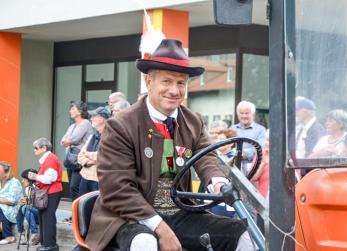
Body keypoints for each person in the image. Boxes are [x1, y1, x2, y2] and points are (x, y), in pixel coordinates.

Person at [85, 39, 255, 251]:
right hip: (128, 217)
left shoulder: (193, 121)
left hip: (179, 213)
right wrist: (160, 228)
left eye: (181, 83)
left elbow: (206, 158)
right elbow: (116, 188)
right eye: (166, 81)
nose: (174, 91)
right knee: (146, 243)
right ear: (149, 82)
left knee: (244, 234)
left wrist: (218, 183)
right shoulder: (120, 125)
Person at [28, 138, 63, 251]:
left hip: (52, 191)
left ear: (44, 148)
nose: (34, 150)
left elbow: (50, 178)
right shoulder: (48, 158)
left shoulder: (50, 159)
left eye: (36, 148)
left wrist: (35, 177)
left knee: (48, 218)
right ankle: (45, 243)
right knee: (43, 217)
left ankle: (50, 245)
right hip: (48, 191)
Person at [61, 101, 92, 206]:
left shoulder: (86, 123)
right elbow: (63, 141)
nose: (70, 111)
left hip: (80, 160)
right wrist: (69, 141)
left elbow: (74, 139)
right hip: (71, 160)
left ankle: (80, 210)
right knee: (72, 187)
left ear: (80, 111)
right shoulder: (72, 126)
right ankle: (75, 212)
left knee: (75, 186)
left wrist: (70, 141)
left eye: (73, 109)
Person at [78, 107, 111, 196]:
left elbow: (104, 156)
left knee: (95, 207)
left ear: (102, 119)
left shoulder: (110, 136)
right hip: (84, 177)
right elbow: (80, 156)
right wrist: (90, 161)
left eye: (94, 116)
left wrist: (87, 154)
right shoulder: (92, 136)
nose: (91, 118)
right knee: (81, 206)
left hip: (98, 179)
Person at [231, 101, 266, 175]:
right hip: (234, 169)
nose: (244, 116)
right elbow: (228, 148)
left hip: (253, 169)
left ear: (252, 114)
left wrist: (242, 154)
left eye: (246, 113)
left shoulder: (260, 130)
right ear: (238, 114)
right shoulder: (232, 129)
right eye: (241, 113)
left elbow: (260, 149)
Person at [0, 161, 23, 245]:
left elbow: (12, 201)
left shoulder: (14, 182)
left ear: (6, 173)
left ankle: (9, 236)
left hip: (13, 209)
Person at [16, 169, 40, 245]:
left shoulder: (36, 188)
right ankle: (22, 234)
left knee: (25, 208)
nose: (22, 181)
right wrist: (24, 201)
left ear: (30, 181)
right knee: (21, 208)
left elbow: (38, 204)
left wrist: (27, 202)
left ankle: (33, 232)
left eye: (24, 179)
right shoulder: (27, 189)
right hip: (31, 212)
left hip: (40, 215)